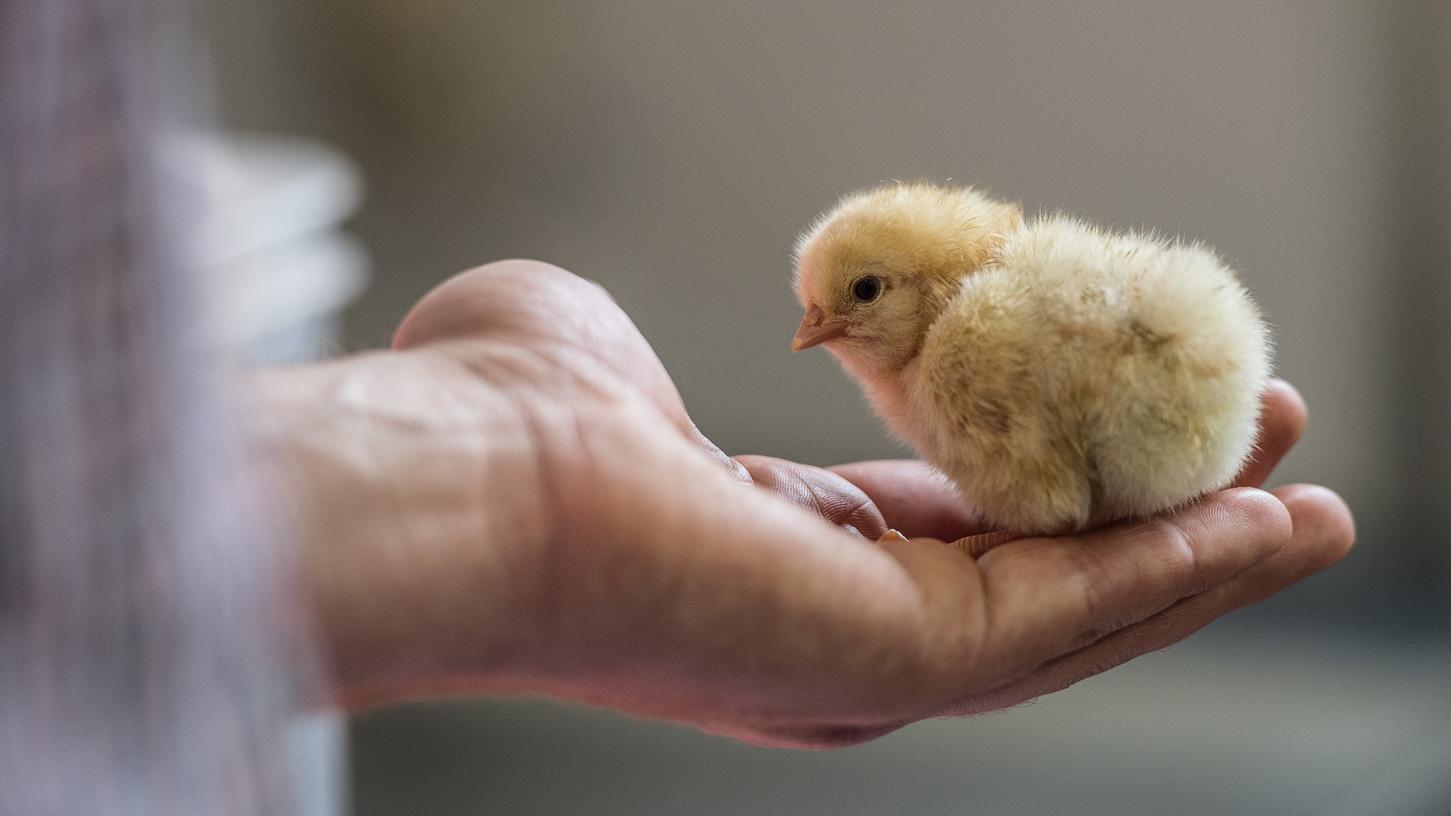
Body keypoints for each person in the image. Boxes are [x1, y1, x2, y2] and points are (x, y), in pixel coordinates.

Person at [258, 259, 1354, 748]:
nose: (821, 326)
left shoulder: (970, 337)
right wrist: (541, 483)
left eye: (855, 299)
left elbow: (1039, 478)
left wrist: (534, 476)